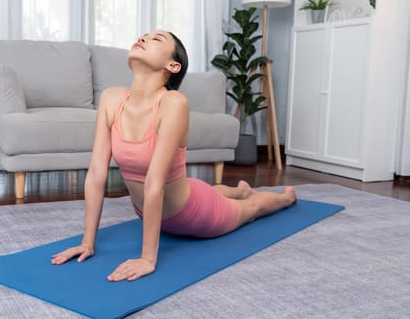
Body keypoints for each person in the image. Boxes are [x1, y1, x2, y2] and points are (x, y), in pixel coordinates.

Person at [51, 30, 296, 282]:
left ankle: (284, 199)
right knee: (209, 189)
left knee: (250, 209)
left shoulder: (173, 103)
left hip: (193, 212)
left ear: (172, 65)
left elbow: (154, 182)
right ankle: (238, 189)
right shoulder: (111, 99)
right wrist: (87, 243)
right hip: (153, 205)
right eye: (144, 36)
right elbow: (96, 174)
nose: (144, 38)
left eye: (156, 39)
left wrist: (147, 258)